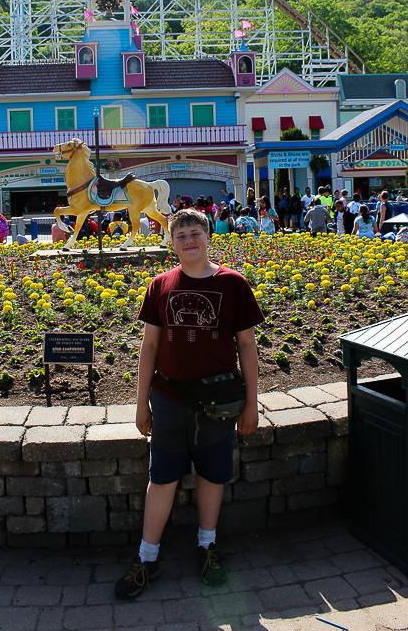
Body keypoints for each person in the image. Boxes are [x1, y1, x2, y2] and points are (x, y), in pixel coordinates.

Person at [114, 208, 263, 600]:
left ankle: (207, 546)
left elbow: (246, 345)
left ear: (208, 237)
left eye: (195, 233)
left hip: (219, 402)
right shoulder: (160, 285)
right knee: (161, 478)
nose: (188, 241)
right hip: (169, 398)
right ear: (172, 243)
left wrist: (252, 402)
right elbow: (149, 346)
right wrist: (141, 403)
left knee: (213, 475)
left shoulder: (233, 284)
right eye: (180, 236)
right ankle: (147, 558)